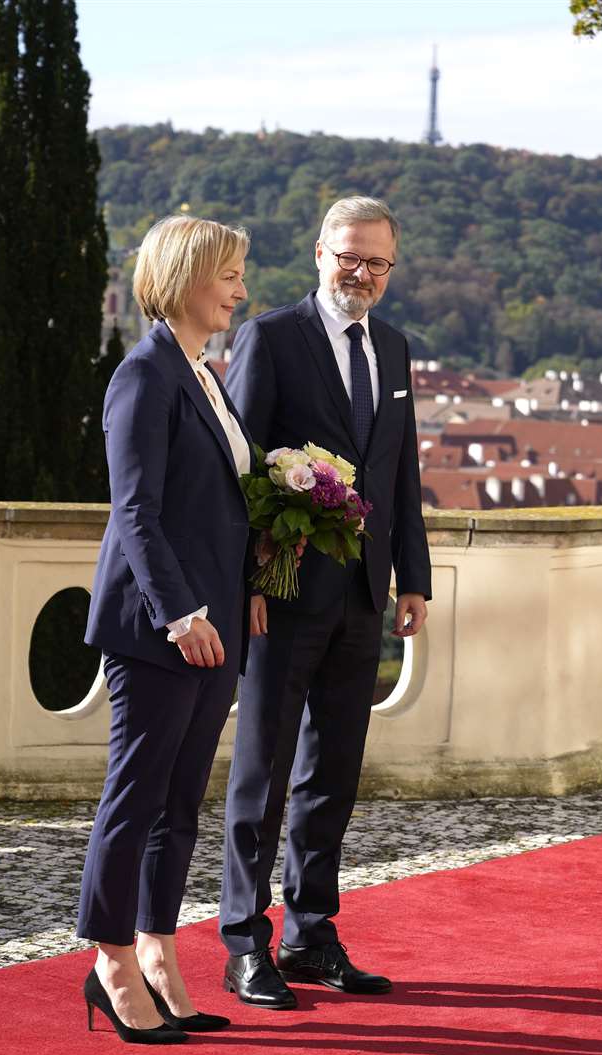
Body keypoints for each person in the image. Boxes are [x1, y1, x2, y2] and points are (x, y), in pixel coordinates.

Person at [219, 196, 431, 1007]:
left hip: (362, 598)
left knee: (332, 775)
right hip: (281, 591)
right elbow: (239, 470)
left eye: (378, 262)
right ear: (319, 253)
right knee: (261, 774)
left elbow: (398, 475)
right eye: (350, 257)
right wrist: (246, 583)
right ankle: (245, 942)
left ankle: (311, 935)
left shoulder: (397, 349)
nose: (363, 273)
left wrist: (414, 577)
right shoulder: (271, 338)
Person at [77, 214, 258, 1043]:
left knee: (179, 802)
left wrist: (244, 592)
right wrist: (180, 612)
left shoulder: (204, 375)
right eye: (229, 275)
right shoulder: (145, 375)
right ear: (187, 276)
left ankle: (156, 948)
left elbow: (216, 510)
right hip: (162, 627)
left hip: (218, 624)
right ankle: (109, 958)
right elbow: (137, 513)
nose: (241, 290)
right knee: (136, 796)